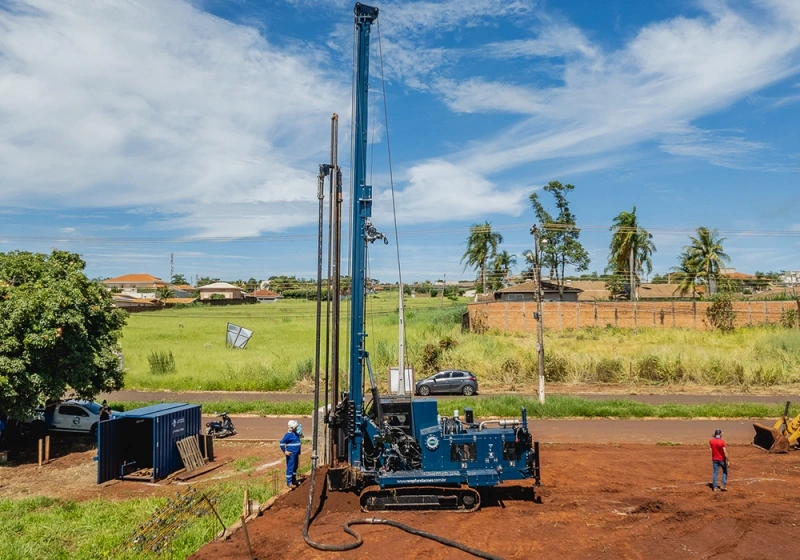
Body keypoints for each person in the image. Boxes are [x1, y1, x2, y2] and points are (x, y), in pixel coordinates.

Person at [279, 420, 302, 487]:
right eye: (296, 426)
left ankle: (293, 479)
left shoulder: (296, 433)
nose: (297, 428)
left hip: (296, 453)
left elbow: (300, 435)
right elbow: (281, 443)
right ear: (292, 427)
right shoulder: (288, 435)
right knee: (290, 467)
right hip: (291, 454)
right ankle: (289, 482)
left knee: (295, 467)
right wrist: (285, 451)